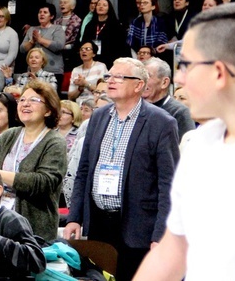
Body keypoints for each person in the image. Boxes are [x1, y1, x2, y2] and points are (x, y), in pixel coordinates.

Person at [133, 3, 235, 279]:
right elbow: (174, 249)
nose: (178, 78)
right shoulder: (198, 144)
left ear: (219, 72)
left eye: (186, 65)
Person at [64, 58, 179, 281]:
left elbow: (169, 185)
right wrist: (74, 217)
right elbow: (84, 171)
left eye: (119, 77)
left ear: (138, 85)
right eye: (109, 76)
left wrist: (160, 234)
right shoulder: (98, 117)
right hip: (99, 223)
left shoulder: (161, 123)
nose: (111, 81)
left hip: (139, 228)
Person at [0, 80, 67, 242]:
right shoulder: (10, 135)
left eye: (33, 100)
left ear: (48, 110)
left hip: (34, 228)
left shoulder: (54, 142)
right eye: (22, 100)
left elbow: (43, 182)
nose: (25, 104)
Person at [142, 57, 195, 139]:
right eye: (141, 77)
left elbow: (187, 147)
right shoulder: (136, 108)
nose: (142, 82)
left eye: (148, 76)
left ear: (164, 82)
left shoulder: (180, 112)